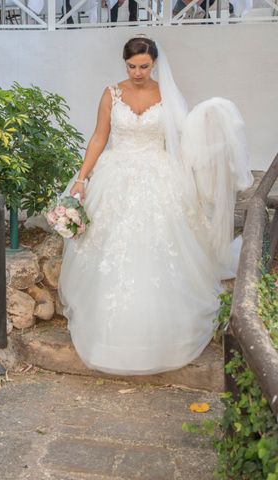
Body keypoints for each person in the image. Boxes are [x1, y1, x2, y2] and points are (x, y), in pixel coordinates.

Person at [58, 36, 252, 375]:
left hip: (159, 176)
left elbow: (184, 141)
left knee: (159, 249)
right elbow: (100, 137)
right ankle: (109, 331)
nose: (137, 72)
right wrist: (82, 178)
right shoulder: (111, 94)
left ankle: (164, 330)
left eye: (144, 66)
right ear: (125, 64)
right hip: (115, 176)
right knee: (110, 250)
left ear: (154, 63)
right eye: (131, 66)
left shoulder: (168, 96)